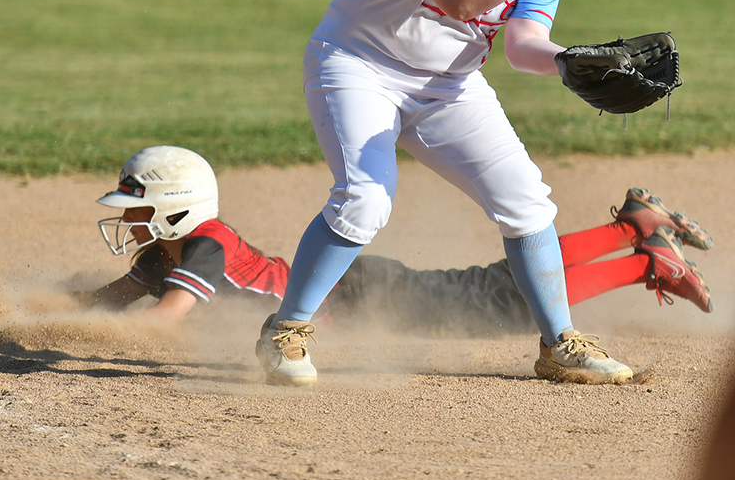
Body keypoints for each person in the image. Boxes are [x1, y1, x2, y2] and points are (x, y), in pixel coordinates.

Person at [253, 0, 669, 389]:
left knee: (527, 203)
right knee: (366, 200)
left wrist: (568, 63)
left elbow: (523, 46)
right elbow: (459, 0)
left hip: (449, 85)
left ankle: (558, 345)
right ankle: (286, 330)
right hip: (356, 66)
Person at [78, 146, 713, 342]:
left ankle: (642, 261)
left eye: (137, 209)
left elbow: (158, 325)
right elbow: (103, 304)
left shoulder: (203, 249)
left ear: (174, 210)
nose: (128, 221)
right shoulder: (159, 253)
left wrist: (57, 336)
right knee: (494, 283)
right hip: (349, 290)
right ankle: (634, 228)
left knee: (505, 302)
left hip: (361, 294)